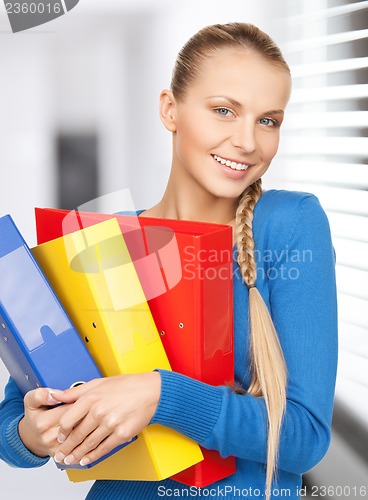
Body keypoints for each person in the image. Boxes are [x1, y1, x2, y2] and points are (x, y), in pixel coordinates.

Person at [0, 22, 338, 500]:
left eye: (269, 120)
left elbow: (304, 438)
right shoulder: (103, 241)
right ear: (170, 109)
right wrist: (36, 433)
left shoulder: (289, 224)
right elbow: (14, 416)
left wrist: (160, 395)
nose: (247, 141)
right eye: (224, 111)